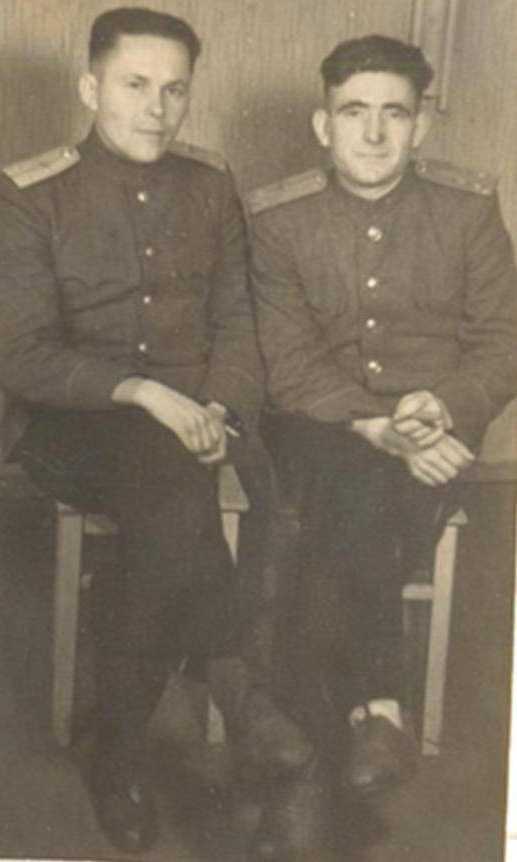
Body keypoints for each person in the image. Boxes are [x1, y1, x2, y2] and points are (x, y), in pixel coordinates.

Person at [0, 8, 312, 854]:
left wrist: (222, 410)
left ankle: (120, 752)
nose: (156, 108)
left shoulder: (209, 185)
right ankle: (233, 683)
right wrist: (142, 393)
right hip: (74, 422)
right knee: (169, 484)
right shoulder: (31, 192)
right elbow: (23, 356)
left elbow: (237, 325)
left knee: (168, 506)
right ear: (90, 88)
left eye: (174, 90)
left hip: (196, 421)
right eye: (135, 85)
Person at [249, 34, 517, 799]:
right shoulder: (277, 218)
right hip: (315, 424)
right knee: (355, 479)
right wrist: (374, 426)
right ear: (322, 124)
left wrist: (444, 408)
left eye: (394, 114)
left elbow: (502, 342)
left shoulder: (467, 210)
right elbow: (286, 360)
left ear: (420, 125)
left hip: (434, 433)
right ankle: (380, 709)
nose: (373, 133)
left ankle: (303, 716)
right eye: (353, 112)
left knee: (356, 499)